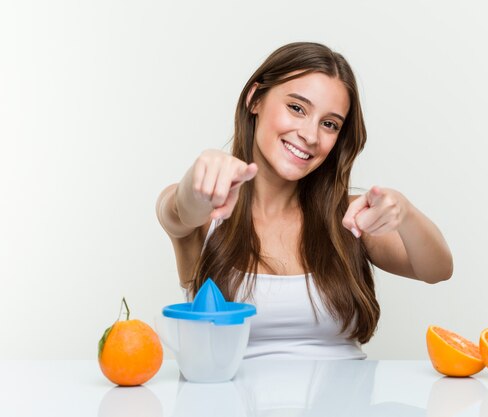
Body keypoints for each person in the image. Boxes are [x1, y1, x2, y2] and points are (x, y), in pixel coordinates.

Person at [156, 42, 453, 360]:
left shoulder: (351, 217)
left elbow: (437, 270)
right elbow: (178, 209)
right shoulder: (206, 211)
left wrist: (405, 213)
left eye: (329, 124)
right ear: (255, 99)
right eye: (297, 108)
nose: (311, 135)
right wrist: (202, 175)